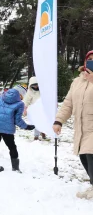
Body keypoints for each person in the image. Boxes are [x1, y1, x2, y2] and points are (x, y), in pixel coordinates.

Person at [53, 50, 93, 200]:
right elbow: (68, 104)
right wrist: (58, 121)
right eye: (89, 59)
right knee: (84, 156)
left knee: (91, 155)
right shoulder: (77, 81)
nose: (91, 62)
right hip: (81, 127)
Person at [0, 89, 35, 173]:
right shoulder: (19, 104)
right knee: (12, 147)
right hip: (8, 130)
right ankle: (15, 168)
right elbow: (17, 120)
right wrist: (26, 126)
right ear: (18, 95)